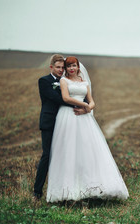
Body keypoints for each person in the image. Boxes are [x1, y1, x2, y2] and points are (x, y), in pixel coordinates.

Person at [46, 56, 129, 202]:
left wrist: (87, 108)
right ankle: (67, 192)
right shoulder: (64, 81)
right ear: (66, 68)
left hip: (84, 117)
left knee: (87, 149)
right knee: (69, 150)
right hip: (68, 116)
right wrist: (82, 104)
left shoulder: (84, 82)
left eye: (74, 66)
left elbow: (91, 101)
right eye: (69, 66)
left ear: (78, 67)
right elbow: (65, 98)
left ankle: (91, 188)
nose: (72, 68)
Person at [33, 54, 88, 200]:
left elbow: (85, 97)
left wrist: (85, 107)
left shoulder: (67, 81)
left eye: (62, 67)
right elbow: (58, 98)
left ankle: (68, 188)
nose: (60, 70)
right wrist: (79, 104)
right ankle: (37, 192)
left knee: (68, 154)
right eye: (58, 67)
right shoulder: (44, 81)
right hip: (50, 122)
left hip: (67, 122)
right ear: (51, 67)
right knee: (47, 155)